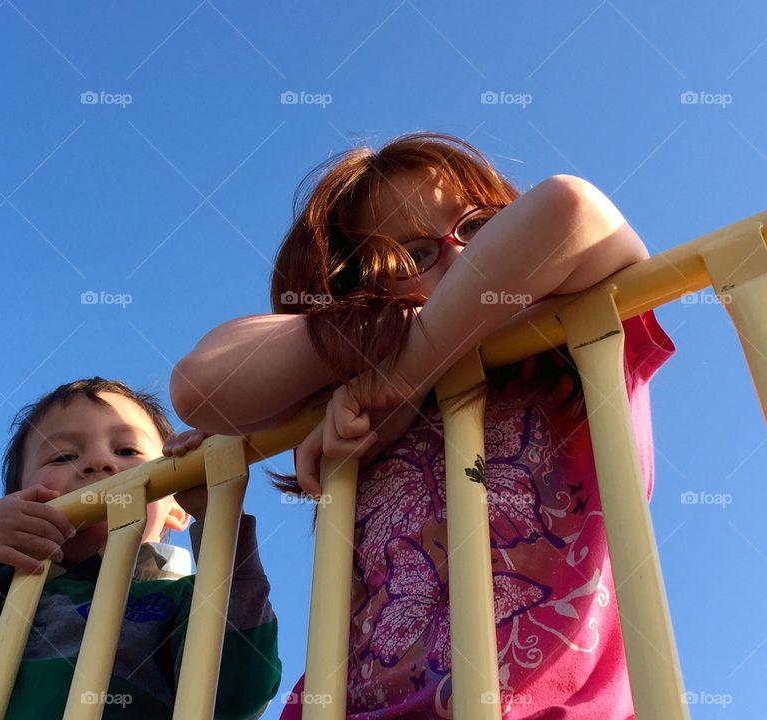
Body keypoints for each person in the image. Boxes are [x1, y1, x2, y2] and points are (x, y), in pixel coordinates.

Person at [170, 133, 675, 718]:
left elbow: (570, 209)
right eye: (409, 257)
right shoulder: (353, 400)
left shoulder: (574, 335)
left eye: (481, 227)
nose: (461, 256)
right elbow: (200, 384)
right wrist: (378, 338)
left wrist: (406, 374)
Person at [0, 377, 281, 719]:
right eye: (63, 455)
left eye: (127, 451)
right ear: (17, 499)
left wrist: (220, 520)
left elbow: (238, 693)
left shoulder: (183, 599)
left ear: (177, 507)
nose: (98, 464)